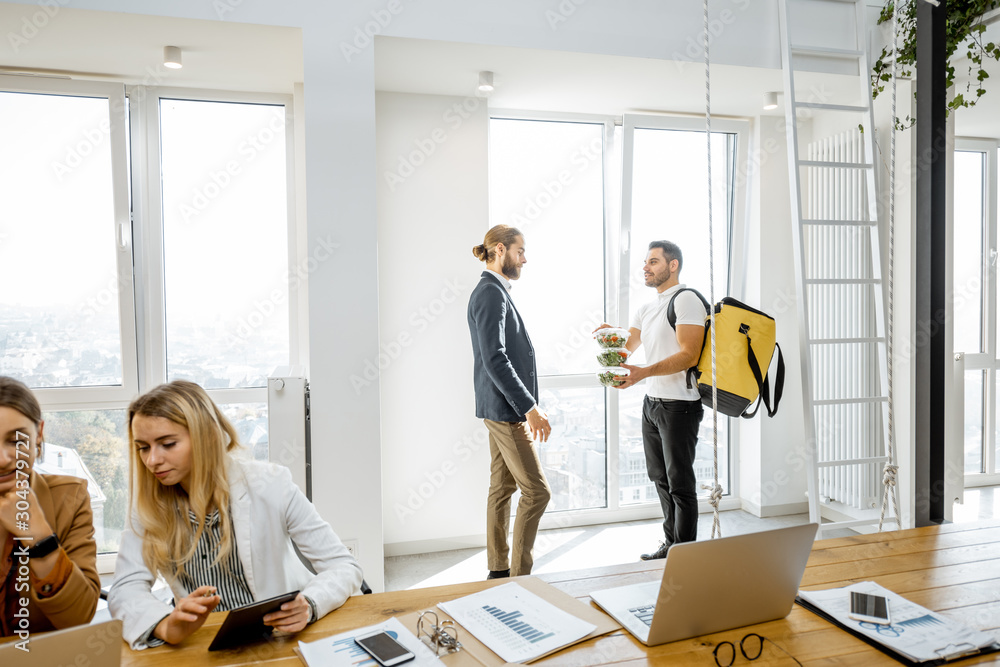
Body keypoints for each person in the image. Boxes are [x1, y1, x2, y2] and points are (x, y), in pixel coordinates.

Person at [109, 380, 363, 649]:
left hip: (282, 638)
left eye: (167, 444)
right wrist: (165, 626)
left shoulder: (271, 484)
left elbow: (343, 566)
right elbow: (125, 589)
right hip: (204, 643)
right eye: (143, 447)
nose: (152, 460)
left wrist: (309, 604)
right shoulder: (147, 507)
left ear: (206, 437)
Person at [598, 241, 707, 560]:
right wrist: (609, 337)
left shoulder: (686, 300)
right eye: (646, 262)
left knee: (680, 483)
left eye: (654, 261)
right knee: (659, 477)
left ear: (673, 266)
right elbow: (625, 350)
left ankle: (684, 553)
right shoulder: (646, 309)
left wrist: (643, 372)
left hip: (680, 405)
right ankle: (671, 544)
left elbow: (690, 354)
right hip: (653, 404)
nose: (646, 267)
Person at [468, 224, 552, 580]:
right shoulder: (490, 293)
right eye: (520, 251)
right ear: (499, 250)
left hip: (498, 407)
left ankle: (499, 570)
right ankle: (520, 576)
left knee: (502, 489)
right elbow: (495, 357)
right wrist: (529, 408)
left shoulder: (494, 290)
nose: (524, 258)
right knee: (538, 492)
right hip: (507, 410)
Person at [0, 376, 100, 637]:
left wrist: (40, 537)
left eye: (16, 441)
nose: (3, 459)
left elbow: (79, 618)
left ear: (39, 433)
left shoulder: (71, 497)